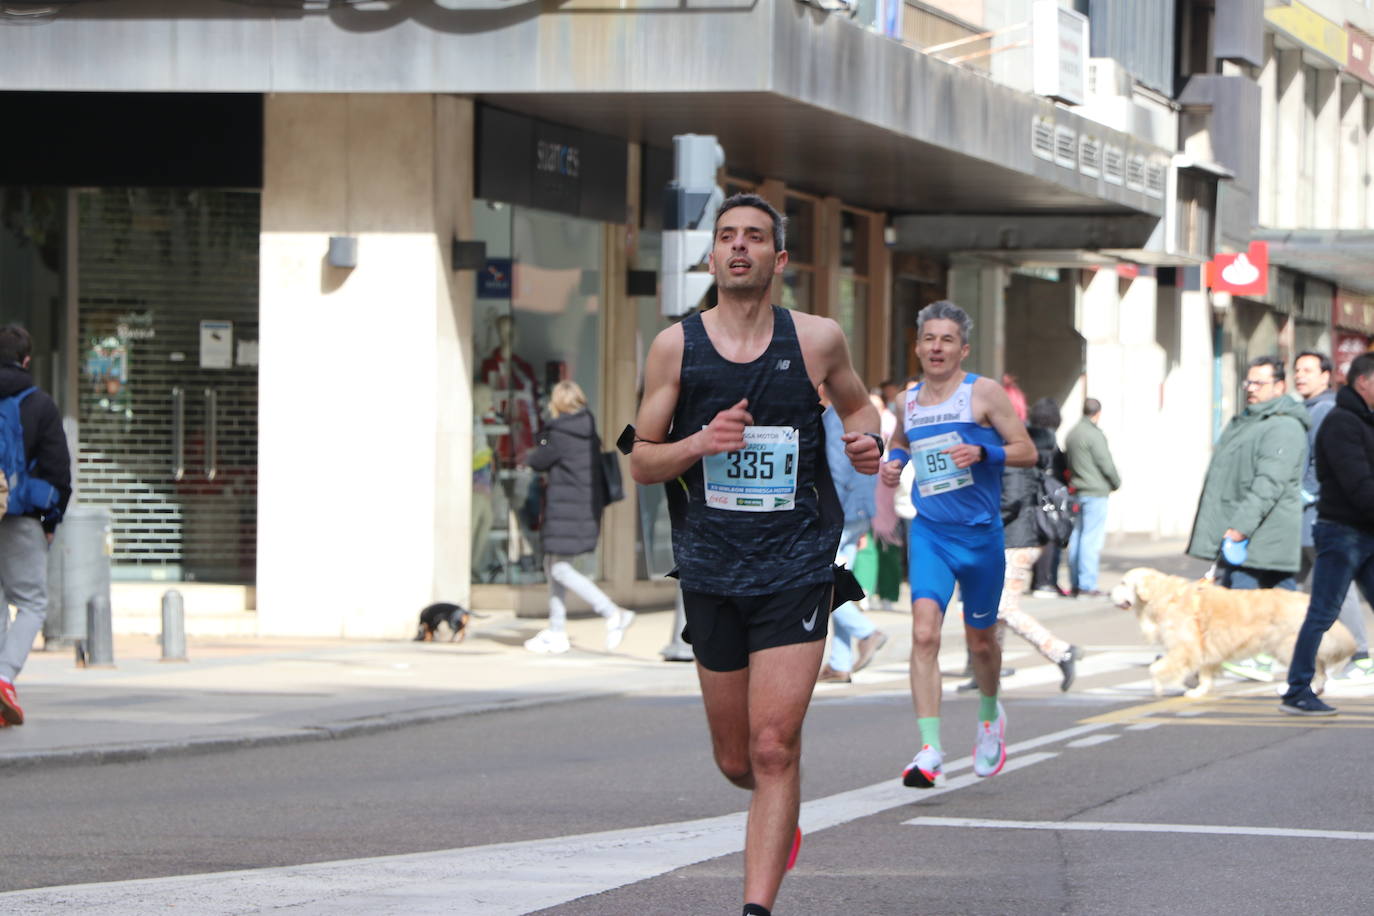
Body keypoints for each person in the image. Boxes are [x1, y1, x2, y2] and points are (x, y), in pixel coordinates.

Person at [629, 192, 881, 916]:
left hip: (797, 566)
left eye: (755, 237)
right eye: (728, 236)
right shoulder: (676, 346)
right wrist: (700, 443)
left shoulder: (817, 339)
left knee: (775, 746)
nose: (740, 247)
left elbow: (860, 408)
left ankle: (755, 907)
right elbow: (638, 457)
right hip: (710, 571)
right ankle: (781, 810)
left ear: (780, 258)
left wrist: (870, 442)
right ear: (711, 256)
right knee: (737, 759)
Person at [879, 301, 1036, 789]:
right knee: (924, 635)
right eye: (929, 339)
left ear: (962, 349)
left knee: (980, 641)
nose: (937, 348)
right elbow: (903, 443)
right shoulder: (908, 401)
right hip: (930, 533)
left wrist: (983, 451)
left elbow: (1026, 451)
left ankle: (990, 716)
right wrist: (893, 462)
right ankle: (930, 749)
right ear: (918, 346)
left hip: (980, 536)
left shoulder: (983, 393)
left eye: (947, 340)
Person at [1228, 351, 1371, 682]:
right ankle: (1268, 653)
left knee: (1330, 587)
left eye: (1308, 370)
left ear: (1326, 376)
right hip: (1302, 519)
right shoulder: (1307, 409)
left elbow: (1318, 467)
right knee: (1288, 589)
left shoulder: (1326, 411)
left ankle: (1358, 654)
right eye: (1297, 370)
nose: (1301, 375)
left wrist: (1301, 495)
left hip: (1316, 518)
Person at [1279, 352, 1374, 716]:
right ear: (1363, 381)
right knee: (1321, 613)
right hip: (1341, 533)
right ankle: (1297, 690)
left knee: (1322, 610)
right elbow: (1358, 485)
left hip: (1364, 531)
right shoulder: (1341, 423)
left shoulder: (1364, 420)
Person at [521, 380, 636, 654]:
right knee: (553, 566)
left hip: (567, 510)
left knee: (559, 568)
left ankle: (612, 612)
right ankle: (557, 631)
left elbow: (537, 460)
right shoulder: (587, 430)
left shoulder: (559, 433)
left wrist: (542, 435)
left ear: (557, 403)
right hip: (583, 510)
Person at [0, 325, 72, 727]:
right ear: (27, 360)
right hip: (22, 517)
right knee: (31, 602)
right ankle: (5, 677)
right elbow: (59, 472)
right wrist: (50, 521)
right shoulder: (39, 404)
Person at [1186, 355, 1307, 591]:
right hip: (1246, 543)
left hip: (1259, 545)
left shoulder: (1283, 426)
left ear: (1279, 386)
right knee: (1272, 617)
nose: (1251, 389)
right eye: (1248, 383)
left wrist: (1240, 529)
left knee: (1246, 620)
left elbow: (1269, 484)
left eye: (1259, 383)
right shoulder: (1249, 422)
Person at [817, 388, 887, 684]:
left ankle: (866, 632)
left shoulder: (834, 419)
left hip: (841, 513)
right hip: (856, 511)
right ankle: (839, 663)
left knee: (822, 585)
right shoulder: (853, 416)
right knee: (839, 579)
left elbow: (836, 471)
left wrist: (827, 515)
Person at [1065, 398, 1121, 598]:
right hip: (1095, 491)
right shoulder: (1093, 435)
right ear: (1097, 413)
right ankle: (1087, 584)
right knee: (1091, 539)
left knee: (1078, 536)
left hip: (1078, 490)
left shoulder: (1072, 433)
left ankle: (1075, 582)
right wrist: (1116, 482)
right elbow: (1105, 462)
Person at [1027, 397, 1070, 597]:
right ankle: (1045, 581)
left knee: (1035, 535)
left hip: (1029, 492)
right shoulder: (1049, 440)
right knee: (1050, 534)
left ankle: (1038, 580)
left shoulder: (1027, 435)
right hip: (1048, 495)